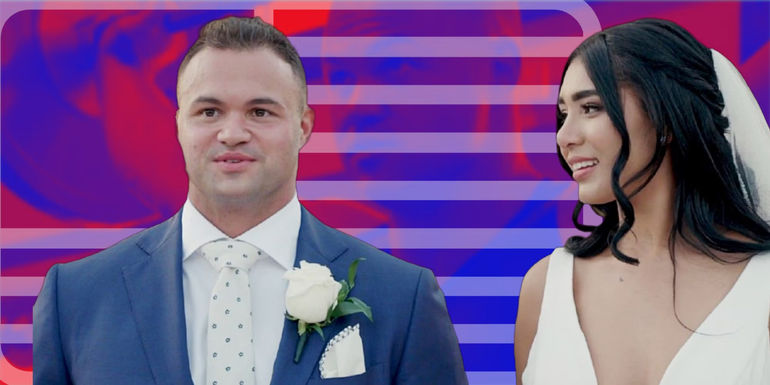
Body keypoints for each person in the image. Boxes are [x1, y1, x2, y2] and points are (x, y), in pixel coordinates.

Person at [33, 16, 467, 385]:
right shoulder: (76, 298)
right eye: (209, 112)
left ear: (303, 127)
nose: (232, 133)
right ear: (179, 124)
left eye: (260, 112)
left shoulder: (402, 297)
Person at [514, 18, 770, 385]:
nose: (564, 137)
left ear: (665, 118)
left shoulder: (763, 285)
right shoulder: (545, 289)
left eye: (591, 108)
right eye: (563, 115)